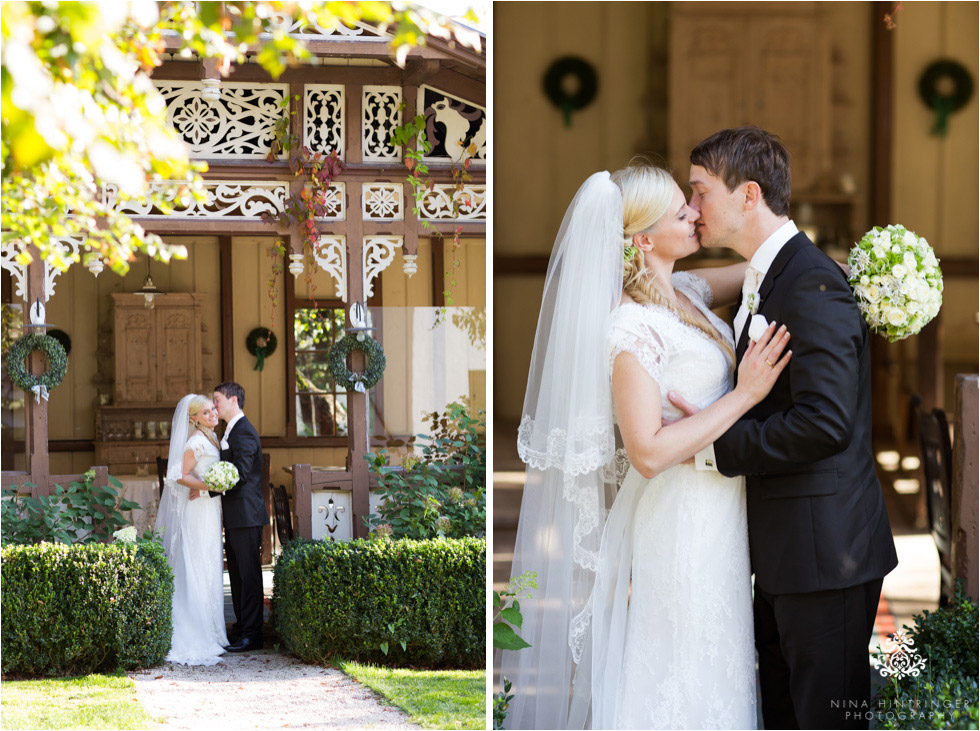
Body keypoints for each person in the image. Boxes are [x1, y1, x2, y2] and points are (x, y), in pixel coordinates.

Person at [501, 163, 791, 729]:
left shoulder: (684, 291)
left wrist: (838, 267)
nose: (694, 214)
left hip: (718, 510)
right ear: (642, 239)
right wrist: (745, 395)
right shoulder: (630, 329)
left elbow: (760, 265)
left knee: (721, 655)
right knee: (681, 664)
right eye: (681, 211)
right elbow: (648, 452)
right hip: (679, 516)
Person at [677, 126, 898, 729]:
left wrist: (709, 446)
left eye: (700, 192)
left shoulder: (812, 284)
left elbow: (826, 423)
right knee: (783, 714)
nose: (692, 208)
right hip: (788, 551)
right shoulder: (767, 273)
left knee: (827, 719)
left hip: (827, 554)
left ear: (749, 194)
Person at [155, 394, 228, 666]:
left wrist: (209, 488)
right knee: (199, 562)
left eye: (213, 410)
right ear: (194, 418)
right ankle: (200, 629)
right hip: (198, 511)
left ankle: (213, 628)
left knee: (210, 561)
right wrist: (208, 487)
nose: (213, 414)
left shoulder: (210, 437)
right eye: (206, 412)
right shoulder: (196, 441)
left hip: (209, 508)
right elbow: (179, 475)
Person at [210, 381, 269, 653]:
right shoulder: (232, 431)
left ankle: (253, 634)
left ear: (233, 400)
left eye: (218, 399)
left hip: (246, 515)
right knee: (236, 574)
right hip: (237, 515)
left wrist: (211, 485)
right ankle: (242, 626)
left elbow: (241, 473)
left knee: (248, 575)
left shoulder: (243, 432)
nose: (214, 405)